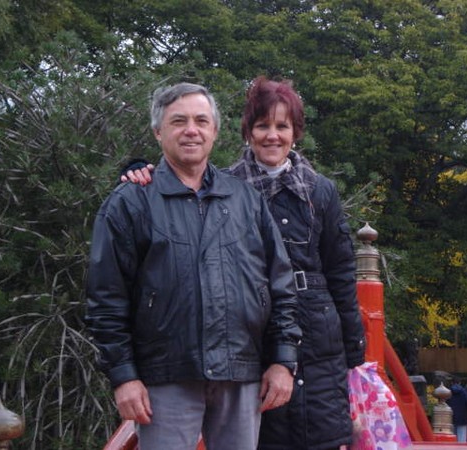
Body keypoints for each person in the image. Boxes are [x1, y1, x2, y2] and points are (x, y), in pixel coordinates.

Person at [123, 76, 367, 450]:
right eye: (262, 126)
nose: (273, 136)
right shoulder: (225, 187)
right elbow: (178, 186)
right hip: (249, 332)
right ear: (247, 132)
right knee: (261, 435)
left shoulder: (320, 191)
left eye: (282, 126)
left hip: (319, 333)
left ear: (295, 133)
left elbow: (340, 272)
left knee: (320, 434)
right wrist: (140, 168)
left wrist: (355, 351)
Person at [86, 82, 302, 450]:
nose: (191, 130)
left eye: (201, 121)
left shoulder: (245, 199)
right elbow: (106, 298)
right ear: (158, 131)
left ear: (214, 131)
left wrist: (283, 360)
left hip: (241, 371)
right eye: (179, 121)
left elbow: (280, 286)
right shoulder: (131, 202)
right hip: (166, 375)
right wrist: (123, 376)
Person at [446, 376, 467, 442]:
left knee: (453, 438)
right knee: (462, 438)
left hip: (451, 417)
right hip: (463, 417)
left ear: (452, 383)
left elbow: (446, 404)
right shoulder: (464, 392)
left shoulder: (448, 392)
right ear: (460, 383)